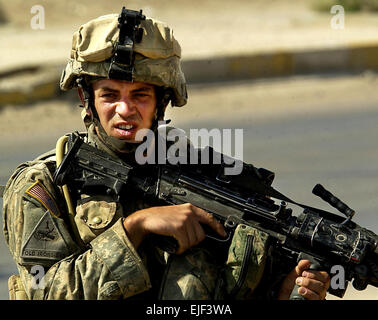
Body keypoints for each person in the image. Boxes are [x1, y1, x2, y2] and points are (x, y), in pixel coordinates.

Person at [2, 7, 330, 300]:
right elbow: (42, 290)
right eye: (109, 95)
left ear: (163, 101)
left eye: (141, 95)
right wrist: (135, 227)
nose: (125, 109)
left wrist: (289, 293)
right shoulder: (44, 184)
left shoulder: (206, 177)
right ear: (86, 96)